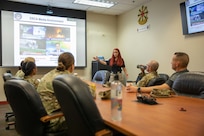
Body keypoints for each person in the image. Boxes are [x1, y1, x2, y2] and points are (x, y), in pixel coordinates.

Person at [37, 52, 75, 132]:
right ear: (72, 66)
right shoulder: (67, 78)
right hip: (54, 120)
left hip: (42, 118)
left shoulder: (49, 74)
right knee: (87, 117)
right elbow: (89, 93)